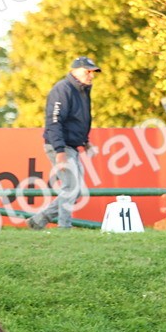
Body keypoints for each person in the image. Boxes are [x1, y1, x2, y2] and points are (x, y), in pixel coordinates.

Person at [28, 56, 101, 230]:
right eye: (87, 71)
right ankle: (64, 228)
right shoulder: (63, 89)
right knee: (71, 187)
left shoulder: (82, 90)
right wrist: (59, 151)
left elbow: (78, 120)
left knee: (76, 190)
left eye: (92, 72)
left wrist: (86, 141)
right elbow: (54, 121)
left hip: (72, 146)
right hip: (61, 146)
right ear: (73, 71)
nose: (91, 76)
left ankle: (38, 221)